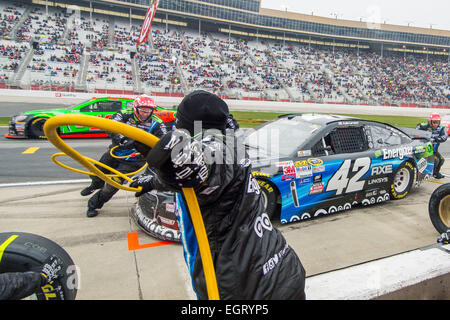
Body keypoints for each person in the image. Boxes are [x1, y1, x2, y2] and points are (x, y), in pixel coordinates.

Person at [130, 90, 306, 300]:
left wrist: (190, 160)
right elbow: (205, 179)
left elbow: (212, 163)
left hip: (245, 285)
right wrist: (154, 181)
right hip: (279, 265)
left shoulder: (218, 147)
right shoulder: (233, 142)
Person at [80, 94, 175, 218]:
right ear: (135, 108)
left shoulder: (157, 123)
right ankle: (95, 184)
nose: (145, 114)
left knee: (112, 186)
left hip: (134, 161)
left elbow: (163, 141)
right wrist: (121, 138)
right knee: (95, 172)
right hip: (115, 153)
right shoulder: (124, 114)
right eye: (142, 111)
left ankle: (93, 205)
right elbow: (109, 125)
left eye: (148, 111)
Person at [416, 113, 448, 179]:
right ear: (430, 121)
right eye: (434, 122)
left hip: (434, 150)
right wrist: (424, 127)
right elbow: (416, 131)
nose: (436, 124)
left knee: (441, 160)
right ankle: (423, 173)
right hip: (424, 149)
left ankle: (435, 173)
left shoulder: (441, 128)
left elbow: (445, 137)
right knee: (435, 160)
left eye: (437, 122)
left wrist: (437, 139)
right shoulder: (423, 126)